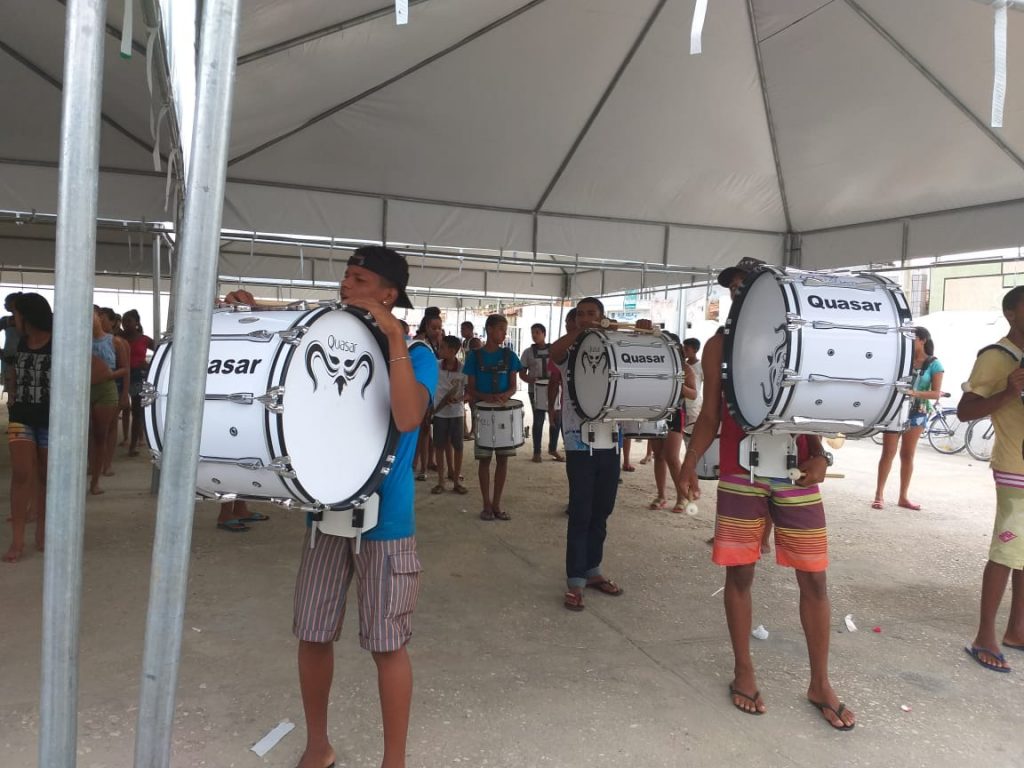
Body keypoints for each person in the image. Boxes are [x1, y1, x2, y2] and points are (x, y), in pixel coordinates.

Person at [680, 257, 855, 730]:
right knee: (740, 575)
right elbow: (710, 415)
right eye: (734, 289)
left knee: (814, 579)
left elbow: (817, 403)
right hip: (741, 473)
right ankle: (744, 670)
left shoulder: (803, 337)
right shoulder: (719, 345)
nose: (739, 294)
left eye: (748, 286)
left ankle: (820, 682)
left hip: (797, 475)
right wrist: (689, 462)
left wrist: (822, 457)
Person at [294, 245, 436, 768]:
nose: (345, 285)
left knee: (387, 645)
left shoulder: (417, 353)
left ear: (389, 294)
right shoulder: (329, 336)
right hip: (326, 513)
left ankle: (393, 760)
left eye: (359, 278)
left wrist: (394, 337)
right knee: (312, 634)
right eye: (346, 276)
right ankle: (318, 745)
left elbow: (407, 417)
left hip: (386, 522)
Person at [956, 286, 1024, 673]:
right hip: (1015, 466)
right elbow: (965, 411)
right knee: (1006, 551)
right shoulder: (996, 357)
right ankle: (985, 635)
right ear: (1011, 313)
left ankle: (1017, 630)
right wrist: (1010, 392)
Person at [550, 298, 632, 610]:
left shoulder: (611, 347)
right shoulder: (569, 351)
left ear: (602, 316)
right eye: (581, 314)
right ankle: (575, 580)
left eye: (591, 314)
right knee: (581, 512)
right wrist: (579, 331)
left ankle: (593, 570)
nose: (586, 318)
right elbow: (554, 352)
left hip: (610, 442)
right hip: (578, 443)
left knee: (602, 510)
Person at [871, 327, 943, 511]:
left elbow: (936, 393)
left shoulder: (934, 364)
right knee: (888, 452)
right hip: (895, 409)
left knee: (907, 454)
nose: (908, 340)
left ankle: (903, 496)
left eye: (913, 337)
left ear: (923, 340)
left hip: (918, 411)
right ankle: (879, 495)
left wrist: (914, 393)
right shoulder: (902, 359)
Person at [3, 294, 52, 563]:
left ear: (28, 316)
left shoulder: (58, 342)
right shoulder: (20, 341)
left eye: (17, 315)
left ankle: (42, 533)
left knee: (45, 476)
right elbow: (13, 371)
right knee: (22, 473)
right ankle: (18, 540)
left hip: (50, 418)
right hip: (21, 416)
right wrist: (12, 392)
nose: (14, 319)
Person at [464, 314, 522, 521]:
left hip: (504, 412)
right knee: (484, 460)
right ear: (489, 329)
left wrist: (506, 395)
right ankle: (486, 504)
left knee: (503, 460)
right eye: (501, 330)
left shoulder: (510, 356)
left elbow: (514, 386)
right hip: (483, 413)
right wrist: (486, 397)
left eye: (505, 331)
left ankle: (497, 504)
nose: (504, 334)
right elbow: (470, 387)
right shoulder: (474, 356)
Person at [648, 333, 697, 513]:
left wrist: (678, 385)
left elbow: (693, 394)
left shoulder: (685, 368)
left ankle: (681, 497)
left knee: (672, 457)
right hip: (655, 412)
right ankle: (661, 495)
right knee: (658, 455)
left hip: (675, 414)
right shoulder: (654, 364)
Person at [88, 307, 126, 495]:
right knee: (86, 435)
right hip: (85, 388)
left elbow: (125, 368)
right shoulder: (80, 340)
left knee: (100, 435)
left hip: (105, 389)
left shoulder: (115, 341)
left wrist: (108, 375)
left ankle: (95, 479)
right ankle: (90, 468)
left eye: (96, 315)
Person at [519, 323, 562, 463]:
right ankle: (536, 452)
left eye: (537, 332)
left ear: (544, 334)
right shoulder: (528, 352)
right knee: (538, 420)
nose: (534, 335)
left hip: (554, 388)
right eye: (532, 332)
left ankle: (553, 448)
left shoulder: (554, 350)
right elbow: (522, 373)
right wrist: (530, 380)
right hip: (535, 390)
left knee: (556, 419)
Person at [432, 335, 468, 495]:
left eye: (443, 347)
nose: (439, 350)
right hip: (439, 413)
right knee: (439, 446)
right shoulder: (436, 366)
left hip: (456, 413)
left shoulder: (463, 369)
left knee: (458, 447)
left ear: (453, 351)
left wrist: (459, 399)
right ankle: (441, 481)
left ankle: (456, 481)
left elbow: (469, 392)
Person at [97, 309, 131, 477]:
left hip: (114, 386)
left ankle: (107, 463)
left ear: (112, 322)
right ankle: (96, 462)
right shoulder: (87, 340)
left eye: (102, 318)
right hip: (95, 386)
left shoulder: (119, 343)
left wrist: (125, 393)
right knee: (95, 429)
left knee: (110, 427)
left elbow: (126, 370)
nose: (99, 321)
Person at [413, 309, 443, 480]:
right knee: (422, 431)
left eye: (439, 328)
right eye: (434, 328)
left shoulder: (440, 343)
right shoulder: (420, 343)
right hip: (423, 389)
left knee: (429, 431)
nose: (437, 331)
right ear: (425, 327)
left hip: (437, 390)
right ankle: (420, 466)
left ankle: (428, 462)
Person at [121, 309, 154, 457]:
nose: (125, 324)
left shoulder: (144, 339)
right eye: (124, 321)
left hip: (137, 377)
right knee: (119, 408)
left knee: (137, 411)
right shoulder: (118, 337)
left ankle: (133, 445)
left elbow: (161, 351)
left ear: (136, 322)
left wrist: (149, 365)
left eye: (128, 321)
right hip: (120, 375)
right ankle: (129, 440)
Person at [460, 321, 482, 439]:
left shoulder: (474, 341)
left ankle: (474, 430)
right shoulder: (465, 342)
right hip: (466, 375)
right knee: (467, 403)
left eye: (463, 329)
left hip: (473, 376)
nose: (461, 331)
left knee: (473, 404)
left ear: (470, 330)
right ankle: (466, 430)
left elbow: (479, 358)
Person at [1, 291, 23, 398]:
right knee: (11, 391)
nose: (4, 305)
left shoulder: (28, 320)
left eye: (7, 302)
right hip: (8, 359)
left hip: (20, 359)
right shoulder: (6, 320)